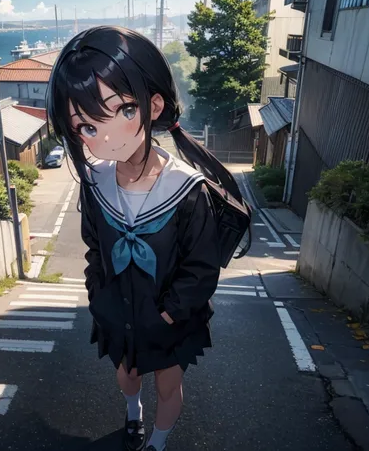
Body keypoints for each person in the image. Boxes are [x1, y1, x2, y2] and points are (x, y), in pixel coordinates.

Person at [47, 26, 237, 451]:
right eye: (86, 126)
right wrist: (99, 295)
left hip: (168, 320)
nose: (104, 135)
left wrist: (169, 314)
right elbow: (95, 248)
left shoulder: (187, 189)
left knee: (169, 385)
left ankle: (159, 442)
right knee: (125, 374)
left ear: (153, 105)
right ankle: (132, 413)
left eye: (122, 110)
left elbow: (201, 268)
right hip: (118, 313)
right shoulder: (94, 182)